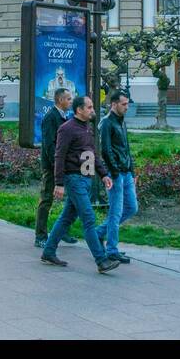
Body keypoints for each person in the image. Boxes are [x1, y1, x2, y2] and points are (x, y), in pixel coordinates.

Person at [40, 96, 119, 274]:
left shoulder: (86, 127)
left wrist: (104, 174)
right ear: (79, 110)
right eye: (89, 107)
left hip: (86, 179)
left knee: (67, 217)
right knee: (89, 219)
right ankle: (102, 260)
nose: (93, 110)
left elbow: (92, 154)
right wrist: (59, 183)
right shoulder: (66, 129)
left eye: (92, 107)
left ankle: (48, 252)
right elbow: (58, 156)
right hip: (74, 179)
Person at [35, 87, 80, 249]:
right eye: (68, 99)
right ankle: (40, 236)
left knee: (70, 200)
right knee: (46, 199)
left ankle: (62, 232)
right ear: (60, 100)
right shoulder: (51, 117)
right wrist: (57, 166)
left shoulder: (65, 117)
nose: (71, 101)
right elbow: (49, 145)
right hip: (52, 166)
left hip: (64, 165)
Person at [96, 90, 137, 263]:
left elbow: (125, 148)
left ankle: (98, 233)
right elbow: (106, 150)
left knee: (132, 208)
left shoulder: (121, 121)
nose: (127, 107)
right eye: (124, 104)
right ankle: (112, 250)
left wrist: (132, 171)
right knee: (115, 212)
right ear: (114, 104)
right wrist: (114, 173)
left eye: (127, 104)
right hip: (116, 174)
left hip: (126, 172)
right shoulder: (107, 123)